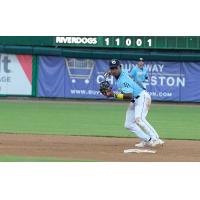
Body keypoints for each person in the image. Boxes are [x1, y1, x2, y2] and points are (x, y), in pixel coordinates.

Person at [102, 59, 164, 147]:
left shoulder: (123, 80)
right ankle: (147, 139)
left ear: (120, 67)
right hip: (135, 100)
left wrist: (114, 95)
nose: (114, 70)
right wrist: (109, 72)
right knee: (128, 124)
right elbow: (113, 72)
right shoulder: (122, 72)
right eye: (112, 68)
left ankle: (156, 139)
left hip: (142, 97)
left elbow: (129, 96)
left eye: (115, 68)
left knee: (139, 119)